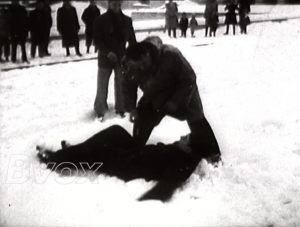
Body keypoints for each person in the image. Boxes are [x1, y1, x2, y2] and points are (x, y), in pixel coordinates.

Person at [37, 124, 220, 201]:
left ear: (189, 149)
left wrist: (145, 201)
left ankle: (56, 160)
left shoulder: (181, 165)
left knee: (99, 151)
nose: (181, 136)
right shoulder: (185, 152)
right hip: (136, 154)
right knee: (116, 132)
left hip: (127, 165)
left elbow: (166, 188)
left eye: (185, 138)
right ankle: (76, 150)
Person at [122, 37, 221, 162]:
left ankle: (213, 154)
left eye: (143, 63)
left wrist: (175, 102)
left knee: (196, 118)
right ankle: (134, 151)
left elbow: (189, 78)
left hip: (181, 90)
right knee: (143, 117)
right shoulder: (128, 63)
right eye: (137, 66)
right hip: (155, 95)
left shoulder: (170, 54)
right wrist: (131, 108)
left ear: (147, 54)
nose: (141, 67)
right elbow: (128, 86)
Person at [93, 0, 137, 119]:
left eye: (118, 3)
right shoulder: (100, 20)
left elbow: (132, 41)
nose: (116, 5)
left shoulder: (127, 21)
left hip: (121, 58)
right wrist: (107, 52)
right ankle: (100, 109)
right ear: (109, 3)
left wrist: (128, 55)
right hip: (105, 58)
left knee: (121, 84)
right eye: (113, 3)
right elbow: (96, 40)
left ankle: (121, 108)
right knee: (102, 85)